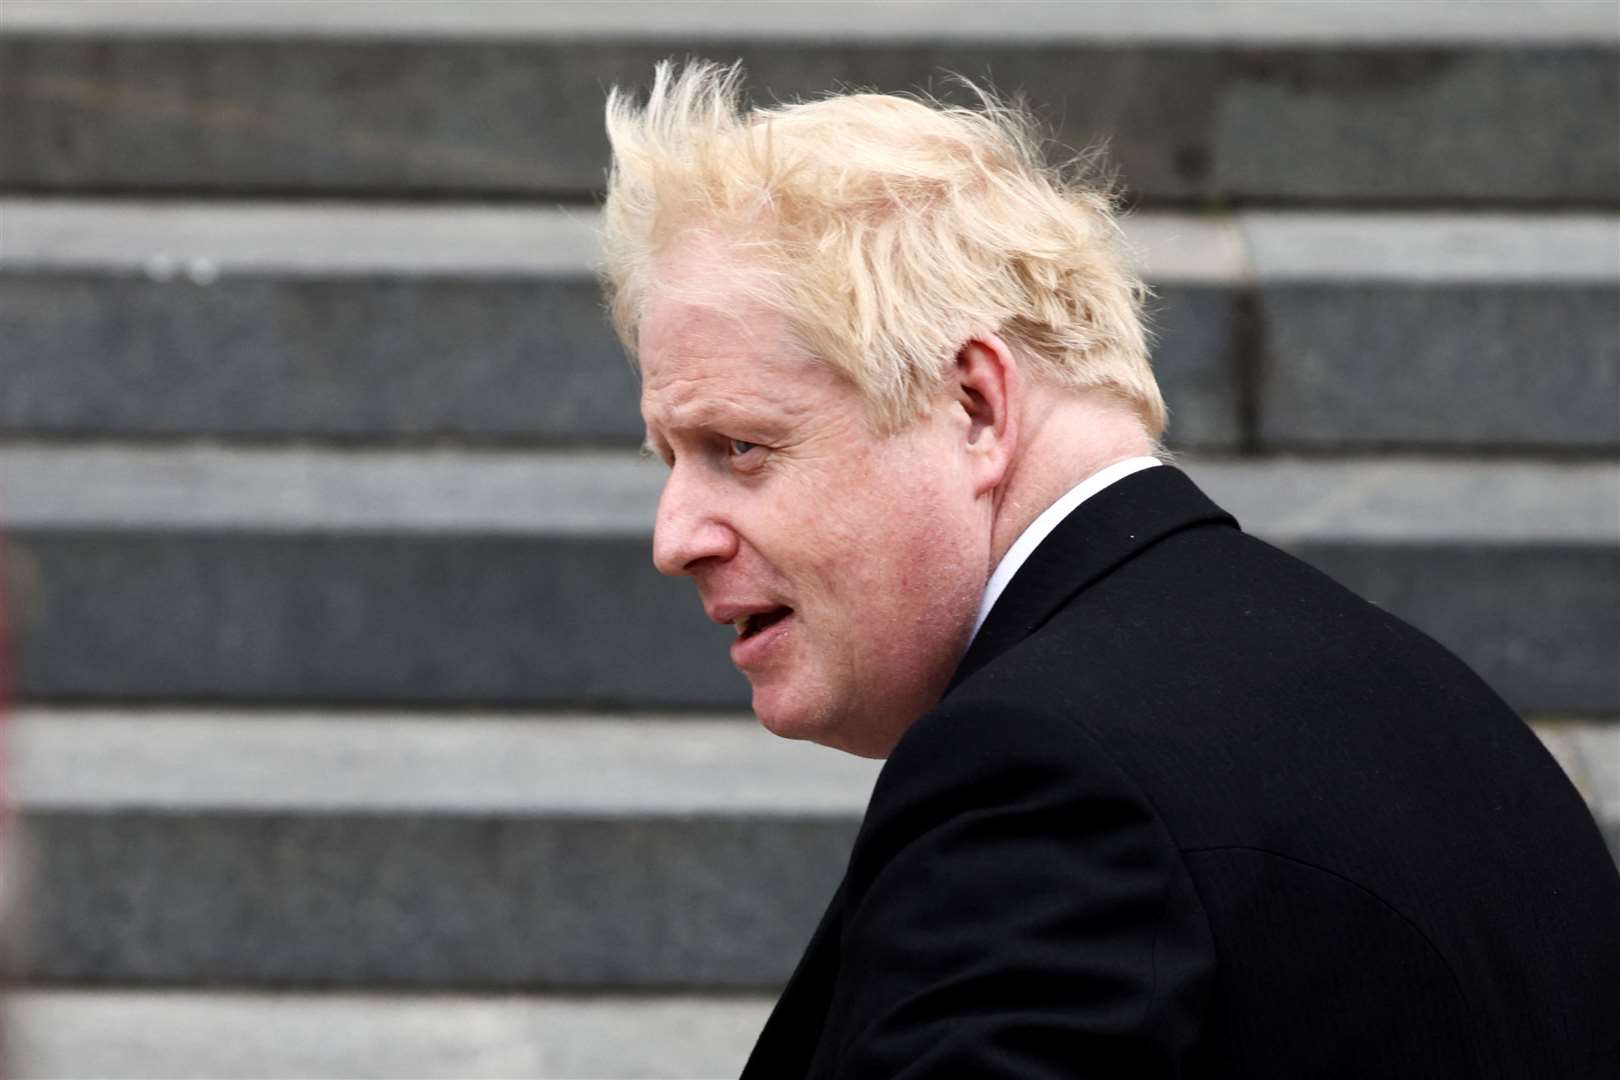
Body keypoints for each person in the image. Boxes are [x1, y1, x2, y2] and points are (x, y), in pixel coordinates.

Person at [600, 61, 1620, 1079]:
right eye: (670, 460)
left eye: (741, 447)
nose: (676, 534)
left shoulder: (1050, 777)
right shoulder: (1432, 705)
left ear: (976, 408)